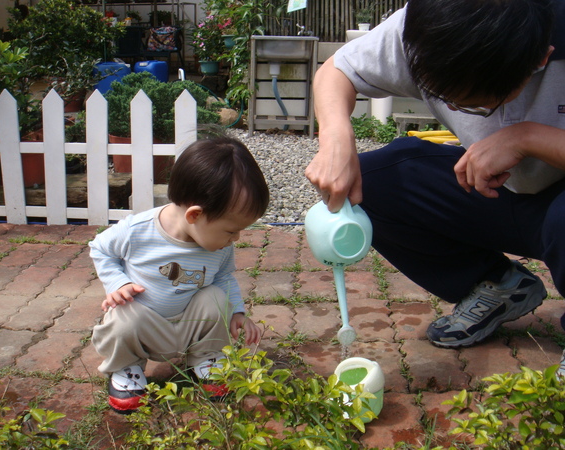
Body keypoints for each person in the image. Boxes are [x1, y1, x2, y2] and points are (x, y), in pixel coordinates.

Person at [306, 0, 565, 364]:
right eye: (444, 99)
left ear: (539, 61)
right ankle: (499, 286)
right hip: (494, 189)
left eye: (476, 106)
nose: (458, 112)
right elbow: (336, 71)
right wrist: (336, 135)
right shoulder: (429, 23)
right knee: (374, 182)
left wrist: (527, 139)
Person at [90, 137, 270, 414]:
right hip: (145, 325)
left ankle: (205, 358)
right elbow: (100, 249)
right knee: (121, 314)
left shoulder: (219, 245)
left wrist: (237, 313)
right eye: (230, 230)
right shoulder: (137, 230)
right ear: (195, 215)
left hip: (190, 323)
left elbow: (223, 278)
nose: (235, 238)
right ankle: (127, 367)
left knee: (215, 297)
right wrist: (118, 283)